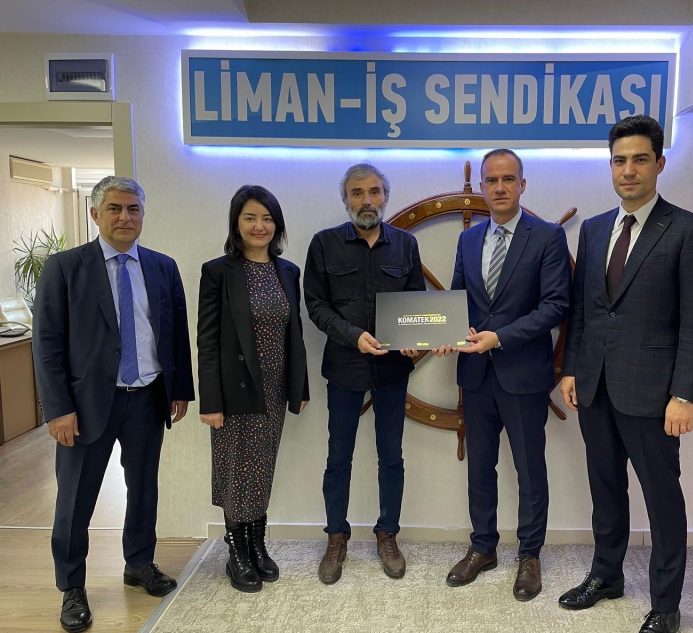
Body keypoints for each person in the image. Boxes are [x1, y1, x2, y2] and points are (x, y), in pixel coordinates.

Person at [558, 115, 693, 633]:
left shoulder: (690, 230)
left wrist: (685, 394)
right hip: (595, 386)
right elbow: (584, 310)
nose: (628, 170)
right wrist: (571, 369)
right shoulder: (594, 229)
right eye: (619, 160)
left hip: (654, 394)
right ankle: (606, 575)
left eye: (639, 160)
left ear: (660, 164)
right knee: (605, 489)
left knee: (662, 498)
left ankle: (666, 605)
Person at [32, 176, 194, 633]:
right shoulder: (65, 267)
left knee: (143, 490)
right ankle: (72, 586)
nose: (125, 217)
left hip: (147, 398)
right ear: (95, 214)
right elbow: (46, 344)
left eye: (133, 209)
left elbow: (174, 332)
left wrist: (179, 388)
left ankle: (139, 564)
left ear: (143, 214)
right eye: (115, 209)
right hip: (85, 407)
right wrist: (58, 408)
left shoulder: (162, 267)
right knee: (75, 500)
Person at [440, 149, 571, 600]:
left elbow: (555, 306)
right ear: (481, 186)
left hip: (524, 372)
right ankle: (483, 548)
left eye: (508, 179)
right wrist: (448, 332)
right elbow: (457, 300)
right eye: (492, 180)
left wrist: (500, 337)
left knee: (529, 469)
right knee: (480, 466)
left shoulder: (548, 236)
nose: (499, 187)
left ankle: (530, 555)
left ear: (522, 185)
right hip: (476, 373)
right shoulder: (468, 240)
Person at [303, 163, 426, 584]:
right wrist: (352, 336)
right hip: (344, 367)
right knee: (338, 457)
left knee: (392, 456)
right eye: (357, 193)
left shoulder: (406, 245)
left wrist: (416, 337)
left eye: (374, 191)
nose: (367, 200)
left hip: (392, 369)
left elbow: (416, 303)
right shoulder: (323, 244)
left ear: (385, 197)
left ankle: (387, 534)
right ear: (346, 199)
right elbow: (316, 305)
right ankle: (336, 537)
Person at [197, 185, 309, 593]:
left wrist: (300, 386)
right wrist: (210, 400)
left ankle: (257, 544)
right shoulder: (218, 272)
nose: (259, 226)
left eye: (267, 218)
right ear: (236, 223)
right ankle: (237, 552)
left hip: (275, 390)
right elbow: (207, 340)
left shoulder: (288, 271)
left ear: (276, 224)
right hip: (234, 390)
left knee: (261, 467)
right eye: (250, 218)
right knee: (235, 470)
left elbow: (295, 333)